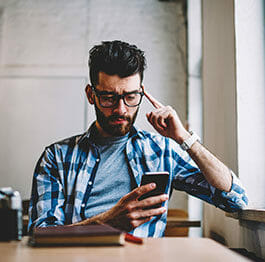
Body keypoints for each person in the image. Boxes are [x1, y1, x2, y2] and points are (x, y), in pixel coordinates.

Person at [28, 40, 248, 237]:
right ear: (90, 94)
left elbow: (235, 200)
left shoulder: (162, 150)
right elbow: (40, 234)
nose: (121, 109)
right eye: (108, 97)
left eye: (131, 96)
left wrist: (185, 139)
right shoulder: (56, 157)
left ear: (141, 92)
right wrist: (106, 222)